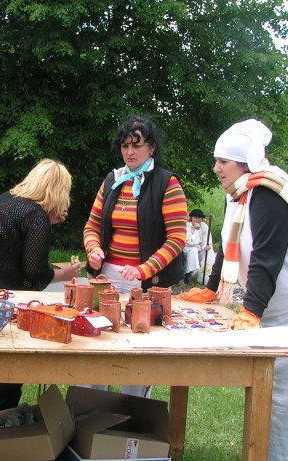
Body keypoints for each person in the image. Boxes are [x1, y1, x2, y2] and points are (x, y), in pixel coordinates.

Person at [179, 119, 288, 460]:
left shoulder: (270, 192)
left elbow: (265, 256)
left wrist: (251, 309)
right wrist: (211, 288)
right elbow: (228, 244)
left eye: (222, 161)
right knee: (281, 398)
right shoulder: (239, 193)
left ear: (244, 162)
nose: (215, 168)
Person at [0, 158, 82, 413]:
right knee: (13, 357)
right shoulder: (36, 215)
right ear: (59, 191)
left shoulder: (7, 199)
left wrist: (48, 221)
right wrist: (65, 274)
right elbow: (34, 271)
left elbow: (15, 244)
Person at [83, 115, 187, 397]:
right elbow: (92, 226)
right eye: (125, 145)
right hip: (106, 279)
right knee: (98, 344)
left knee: (138, 352)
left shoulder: (167, 183)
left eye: (137, 145)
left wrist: (144, 269)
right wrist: (93, 250)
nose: (130, 152)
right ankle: (93, 408)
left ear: (151, 148)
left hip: (146, 282)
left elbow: (177, 238)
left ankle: (134, 411)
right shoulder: (112, 180)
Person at [183, 208, 212, 284]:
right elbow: (191, 242)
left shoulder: (204, 226)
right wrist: (197, 230)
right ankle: (189, 274)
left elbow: (207, 239)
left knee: (210, 252)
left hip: (200, 248)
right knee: (193, 250)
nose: (197, 219)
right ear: (191, 218)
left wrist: (206, 246)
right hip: (187, 249)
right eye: (195, 217)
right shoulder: (187, 226)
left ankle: (206, 275)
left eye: (199, 218)